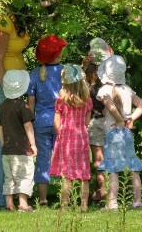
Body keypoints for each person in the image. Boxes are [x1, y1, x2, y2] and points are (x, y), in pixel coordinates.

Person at [0, 13, 30, 206]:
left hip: (14, 85)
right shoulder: (2, 19)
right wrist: (8, 91)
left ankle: (7, 196)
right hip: (1, 83)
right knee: (0, 137)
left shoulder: (18, 17)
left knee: (10, 138)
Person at [96, 55, 142, 210]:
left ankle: (112, 202)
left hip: (113, 132)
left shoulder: (105, 89)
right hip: (126, 133)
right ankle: (137, 201)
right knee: (132, 167)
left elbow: (111, 107)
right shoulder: (127, 89)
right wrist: (130, 119)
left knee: (113, 169)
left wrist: (120, 119)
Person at [26, 34, 67, 207]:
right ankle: (65, 198)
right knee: (64, 158)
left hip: (41, 122)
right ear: (58, 54)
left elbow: (31, 102)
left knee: (43, 158)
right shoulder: (66, 72)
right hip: (62, 122)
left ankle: (42, 199)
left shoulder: (34, 73)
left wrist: (30, 122)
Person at [48, 64, 93, 210]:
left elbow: (56, 122)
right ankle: (84, 204)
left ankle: (64, 204)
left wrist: (60, 133)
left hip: (66, 139)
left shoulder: (61, 101)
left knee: (66, 174)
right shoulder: (87, 100)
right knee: (83, 173)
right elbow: (86, 123)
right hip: (81, 138)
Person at [0, 70, 37, 212]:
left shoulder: (2, 107)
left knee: (9, 178)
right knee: (24, 176)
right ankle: (23, 204)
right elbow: (28, 126)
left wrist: (3, 144)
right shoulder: (23, 106)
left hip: (6, 150)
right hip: (21, 150)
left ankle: (9, 204)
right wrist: (32, 145)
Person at [82, 38, 113, 204]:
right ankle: (98, 190)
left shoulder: (88, 83)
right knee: (102, 159)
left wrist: (83, 66)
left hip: (94, 123)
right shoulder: (109, 81)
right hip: (107, 122)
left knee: (98, 160)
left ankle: (101, 191)